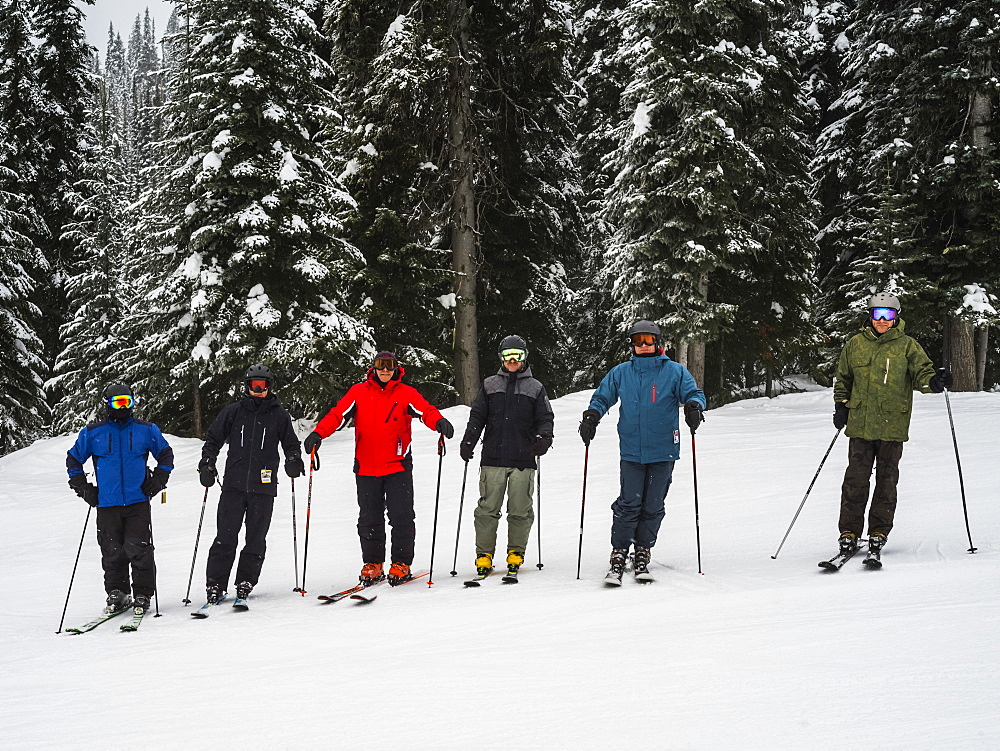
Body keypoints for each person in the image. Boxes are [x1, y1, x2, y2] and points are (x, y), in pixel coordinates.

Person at [303, 351, 454, 585]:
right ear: (373, 368)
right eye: (381, 366)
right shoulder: (359, 392)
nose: (385, 371)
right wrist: (317, 433)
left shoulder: (406, 393)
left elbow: (426, 411)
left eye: (390, 367)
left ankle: (401, 563)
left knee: (401, 516)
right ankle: (373, 564)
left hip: (397, 466)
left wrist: (439, 422)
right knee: (369, 519)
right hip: (366, 467)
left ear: (396, 369)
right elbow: (337, 415)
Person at [578, 321, 706, 585]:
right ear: (632, 344)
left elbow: (693, 392)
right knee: (629, 503)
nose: (644, 345)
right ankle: (620, 551)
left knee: (653, 504)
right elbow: (602, 397)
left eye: (648, 340)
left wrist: (694, 405)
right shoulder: (622, 373)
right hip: (632, 450)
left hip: (663, 450)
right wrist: (592, 416)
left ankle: (643, 550)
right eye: (638, 341)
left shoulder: (674, 372)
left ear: (658, 342)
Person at [831, 292, 951, 563]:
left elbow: (923, 374)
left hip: (892, 426)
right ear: (870, 317)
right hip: (860, 425)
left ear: (896, 317)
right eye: (877, 315)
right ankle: (849, 532)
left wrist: (935, 382)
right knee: (855, 481)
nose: (882, 321)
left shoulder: (907, 346)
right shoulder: (855, 345)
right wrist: (841, 406)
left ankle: (878, 532)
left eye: (888, 315)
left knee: (887, 482)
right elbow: (844, 379)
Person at [198, 364, 304, 604]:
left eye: (263, 385)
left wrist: (294, 459)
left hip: (263, 488)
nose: (258, 390)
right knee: (225, 537)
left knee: (256, 538)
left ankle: (246, 580)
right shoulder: (233, 412)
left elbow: (291, 444)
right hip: (233, 486)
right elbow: (213, 439)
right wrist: (206, 463)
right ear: (247, 387)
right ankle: (215, 584)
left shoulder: (279, 415)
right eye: (254, 385)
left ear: (269, 387)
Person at [66, 382, 173, 614]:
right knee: (112, 550)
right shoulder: (94, 433)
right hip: (106, 503)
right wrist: (83, 487)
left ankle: (143, 593)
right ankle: (118, 592)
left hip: (138, 501)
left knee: (140, 549)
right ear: (108, 404)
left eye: (128, 402)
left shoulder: (146, 430)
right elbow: (73, 459)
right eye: (118, 402)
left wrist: (160, 478)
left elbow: (165, 453)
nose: (123, 407)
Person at [459, 335, 554, 579]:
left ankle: (515, 552)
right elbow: (478, 416)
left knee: (520, 509)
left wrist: (544, 438)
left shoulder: (535, 387)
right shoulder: (490, 384)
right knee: (487, 509)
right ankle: (484, 554)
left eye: (518, 356)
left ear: (525, 358)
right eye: (508, 355)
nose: (513, 361)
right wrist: (469, 439)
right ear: (501, 357)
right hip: (493, 457)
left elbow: (545, 418)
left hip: (524, 458)